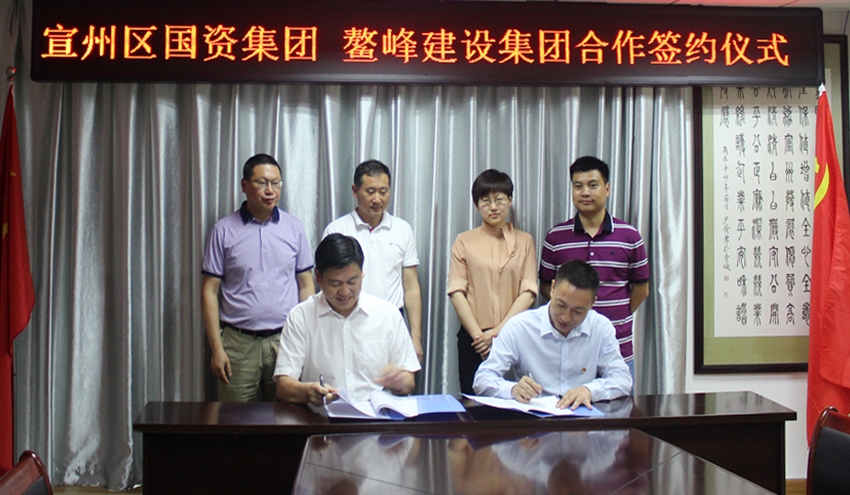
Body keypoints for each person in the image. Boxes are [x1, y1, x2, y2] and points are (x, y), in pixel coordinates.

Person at [201, 153, 316, 402]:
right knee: (235, 419)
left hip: (286, 339)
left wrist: (306, 337)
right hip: (238, 344)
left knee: (287, 415)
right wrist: (216, 348)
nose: (270, 191)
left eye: (275, 183)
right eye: (262, 183)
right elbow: (209, 291)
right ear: (244, 185)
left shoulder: (294, 228)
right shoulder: (223, 230)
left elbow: (306, 284)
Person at [539, 156, 650, 384]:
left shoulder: (629, 236)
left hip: (618, 348)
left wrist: (617, 316)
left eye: (592, 185)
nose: (585, 193)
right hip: (568, 350)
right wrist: (571, 315)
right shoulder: (556, 237)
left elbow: (641, 289)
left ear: (607, 189)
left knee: (620, 406)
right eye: (578, 186)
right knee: (568, 405)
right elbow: (546, 287)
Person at [274, 233, 421, 405]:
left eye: (352, 281)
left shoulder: (387, 315)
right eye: (335, 283)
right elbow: (283, 385)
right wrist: (308, 392)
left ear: (362, 273)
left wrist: (400, 381)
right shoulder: (301, 317)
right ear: (318, 277)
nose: (344, 292)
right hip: (321, 416)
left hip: (375, 415)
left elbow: (409, 381)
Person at [474, 260, 632, 410]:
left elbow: (622, 379)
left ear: (592, 303)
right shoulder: (520, 327)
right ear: (552, 288)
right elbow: (482, 379)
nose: (566, 317)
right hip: (533, 421)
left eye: (578, 311)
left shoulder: (600, 328)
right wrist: (512, 389)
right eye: (561, 305)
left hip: (581, 419)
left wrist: (590, 391)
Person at [322, 160, 423, 362]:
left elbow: (411, 286)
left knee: (395, 380)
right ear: (355, 190)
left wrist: (415, 337)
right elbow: (326, 284)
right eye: (370, 192)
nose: (377, 199)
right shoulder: (337, 230)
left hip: (393, 322)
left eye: (383, 191)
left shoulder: (402, 229)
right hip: (348, 321)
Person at [448, 169, 538, 395]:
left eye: (499, 199)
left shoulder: (525, 241)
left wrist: (498, 331)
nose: (493, 207)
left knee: (520, 400)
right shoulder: (464, 241)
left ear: (510, 200)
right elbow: (456, 292)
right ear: (476, 205)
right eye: (486, 201)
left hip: (516, 335)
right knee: (473, 402)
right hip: (474, 339)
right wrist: (480, 337)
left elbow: (528, 291)